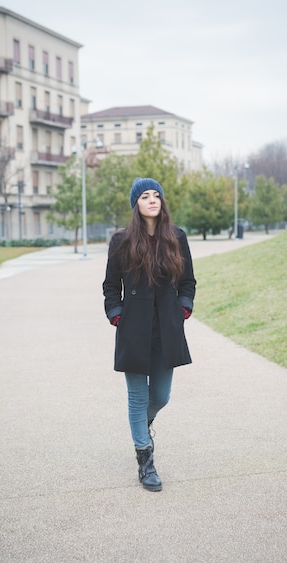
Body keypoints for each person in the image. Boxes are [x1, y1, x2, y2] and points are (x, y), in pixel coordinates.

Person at [102, 177, 196, 492]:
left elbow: (188, 283)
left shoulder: (177, 238)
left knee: (161, 396)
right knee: (138, 396)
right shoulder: (122, 241)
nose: (152, 200)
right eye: (145, 196)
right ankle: (145, 461)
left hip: (167, 329)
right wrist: (116, 315)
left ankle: (141, 426)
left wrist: (183, 308)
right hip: (134, 330)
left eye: (157, 195)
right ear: (136, 204)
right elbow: (111, 286)